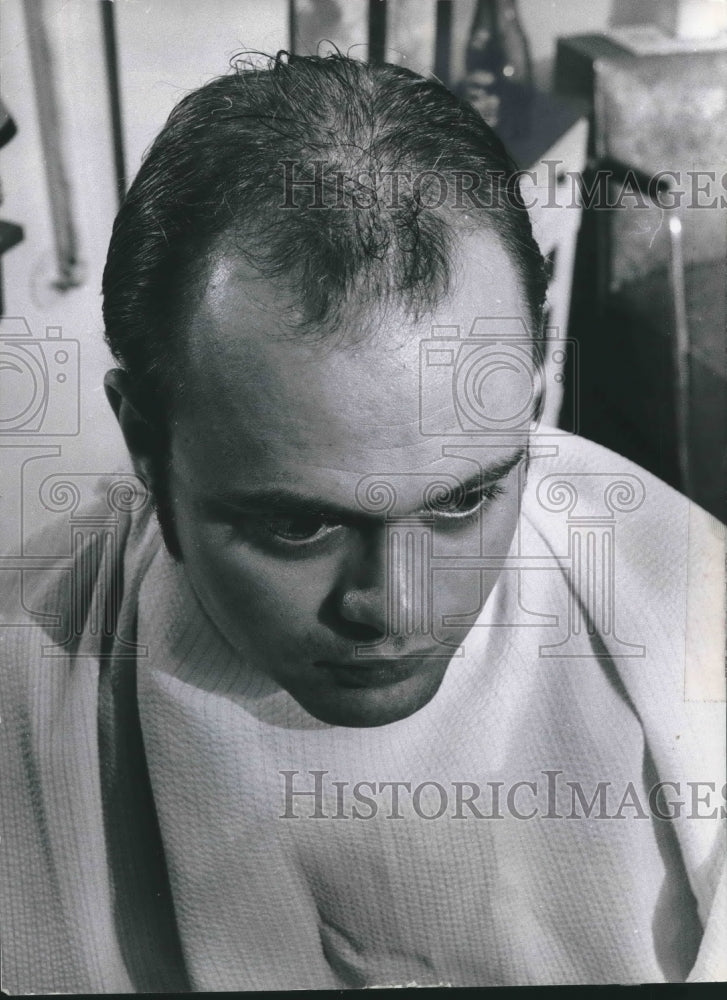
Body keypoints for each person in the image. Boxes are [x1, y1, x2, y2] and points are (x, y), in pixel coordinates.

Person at [1, 53, 724, 992]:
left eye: (465, 499)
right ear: (147, 445)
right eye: (299, 528)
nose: (398, 608)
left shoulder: (687, 607)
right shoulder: (25, 676)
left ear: (533, 404)